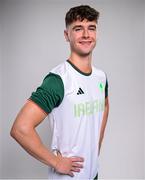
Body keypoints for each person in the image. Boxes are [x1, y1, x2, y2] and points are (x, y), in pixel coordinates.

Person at [10, 5, 109, 179]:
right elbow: (20, 128)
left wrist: (95, 147)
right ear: (67, 35)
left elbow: (104, 106)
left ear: (97, 33)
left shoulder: (101, 77)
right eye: (78, 29)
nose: (86, 35)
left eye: (91, 28)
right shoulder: (58, 80)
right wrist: (56, 162)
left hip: (92, 174)